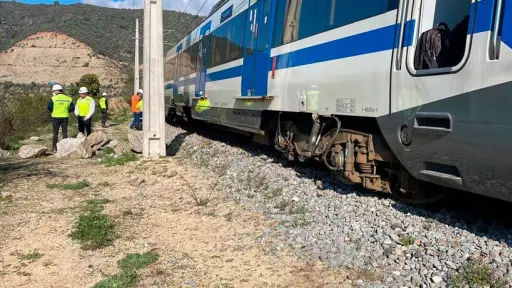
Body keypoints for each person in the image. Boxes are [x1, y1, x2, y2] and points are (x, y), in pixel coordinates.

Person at [47, 84, 74, 153]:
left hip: (55, 118)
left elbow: (49, 107)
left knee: (55, 133)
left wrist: (53, 111)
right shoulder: (68, 99)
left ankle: (54, 148)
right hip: (65, 117)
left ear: (56, 91)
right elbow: (72, 108)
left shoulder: (53, 99)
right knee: (64, 133)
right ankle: (65, 148)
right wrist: (66, 111)